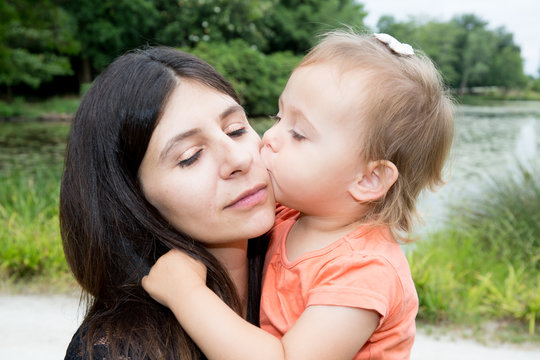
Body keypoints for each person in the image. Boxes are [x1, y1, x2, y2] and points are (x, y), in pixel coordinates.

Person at [142, 30, 454, 359]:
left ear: (369, 178)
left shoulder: (364, 271)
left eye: (299, 133)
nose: (270, 137)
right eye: (278, 117)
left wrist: (187, 294)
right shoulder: (289, 215)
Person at [60, 46, 276, 360]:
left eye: (236, 129)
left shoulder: (324, 270)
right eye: (190, 157)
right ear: (133, 198)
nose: (239, 158)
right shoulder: (119, 351)